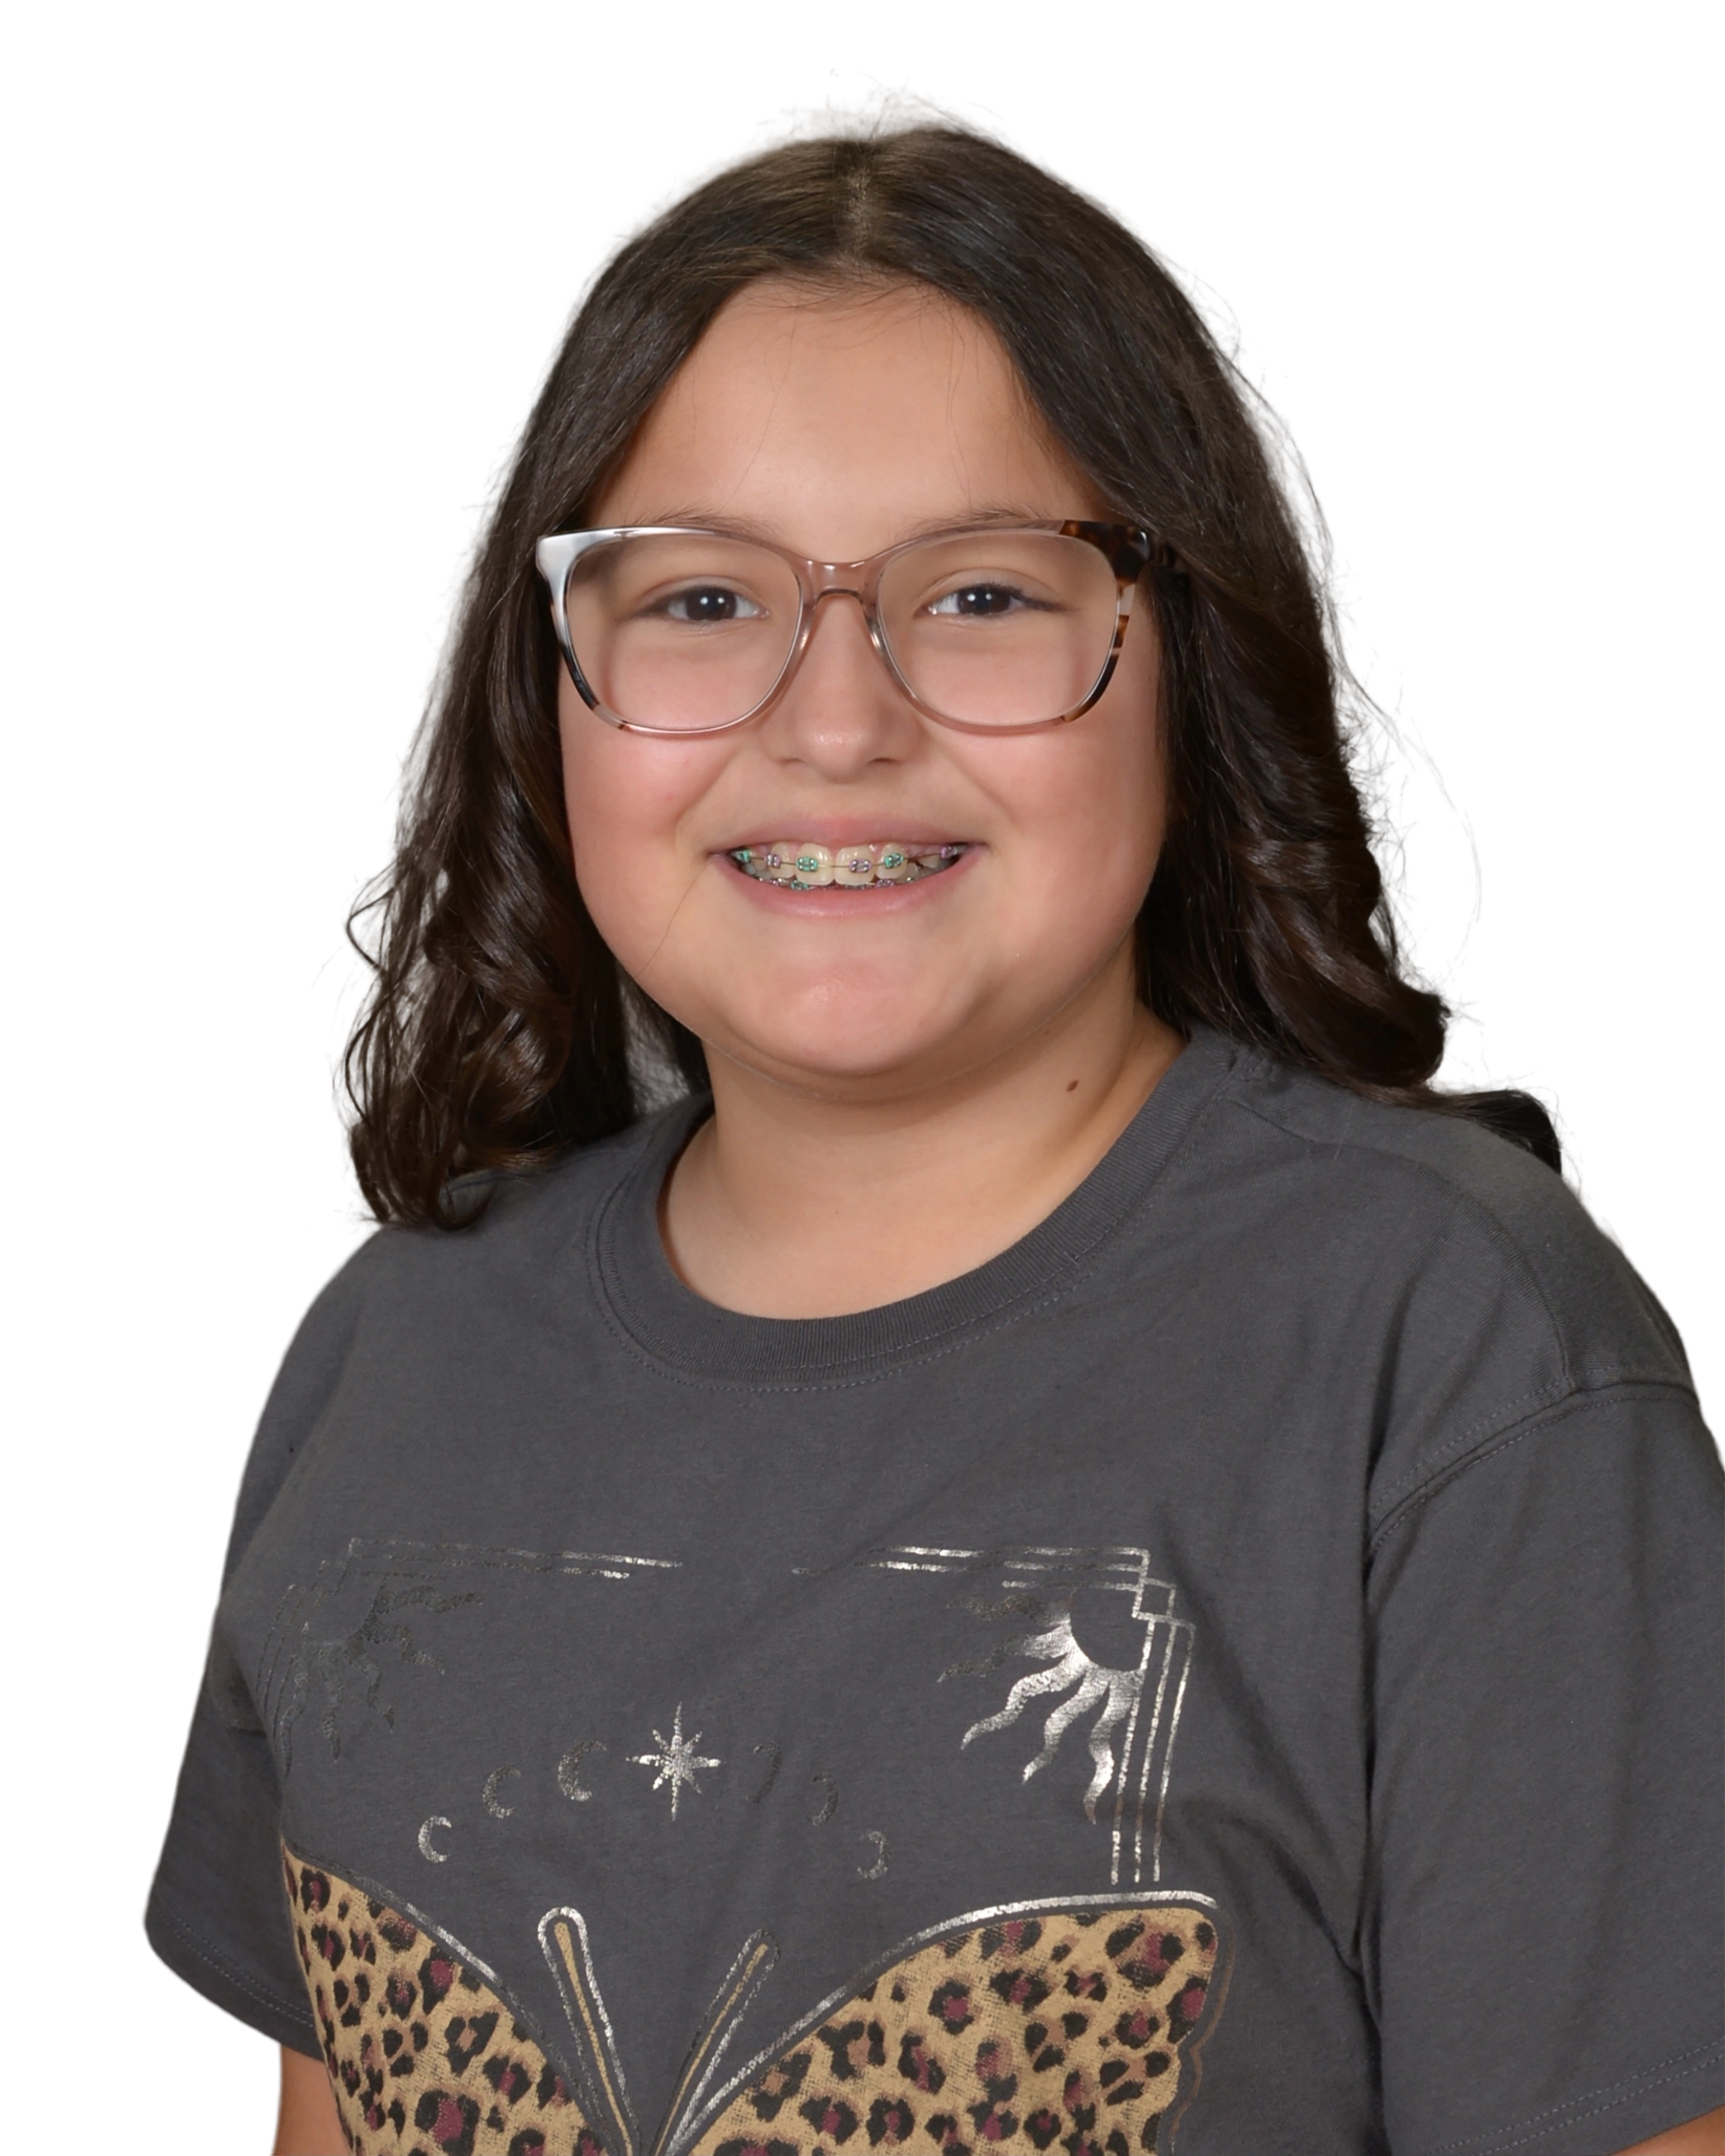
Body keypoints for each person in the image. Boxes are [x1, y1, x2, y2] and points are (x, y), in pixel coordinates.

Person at [140, 78, 1722, 2156]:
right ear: (544, 694)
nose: (837, 721)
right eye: (699, 597)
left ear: (1186, 665)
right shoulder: (389, 1352)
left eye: (981, 593)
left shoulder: (1449, 1352)